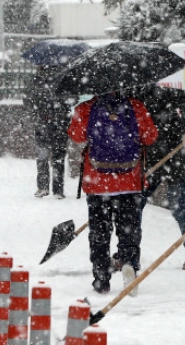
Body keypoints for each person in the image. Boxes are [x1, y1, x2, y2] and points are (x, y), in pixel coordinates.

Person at [68, 91, 158, 295]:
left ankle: (101, 277)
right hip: (130, 181)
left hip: (98, 182)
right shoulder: (136, 106)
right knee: (129, 229)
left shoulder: (86, 108)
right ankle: (129, 264)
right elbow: (150, 136)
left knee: (99, 231)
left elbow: (76, 135)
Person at [124, 85, 185, 270]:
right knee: (134, 207)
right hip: (149, 163)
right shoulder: (125, 102)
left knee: (177, 207)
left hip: (176, 158)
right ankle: (128, 255)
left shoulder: (159, 94)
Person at [26, 65, 71, 199]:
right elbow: (29, 101)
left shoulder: (60, 80)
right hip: (50, 125)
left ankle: (48, 188)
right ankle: (51, 188)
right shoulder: (40, 81)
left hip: (56, 125)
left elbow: (67, 103)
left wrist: (53, 113)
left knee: (48, 157)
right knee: (49, 157)